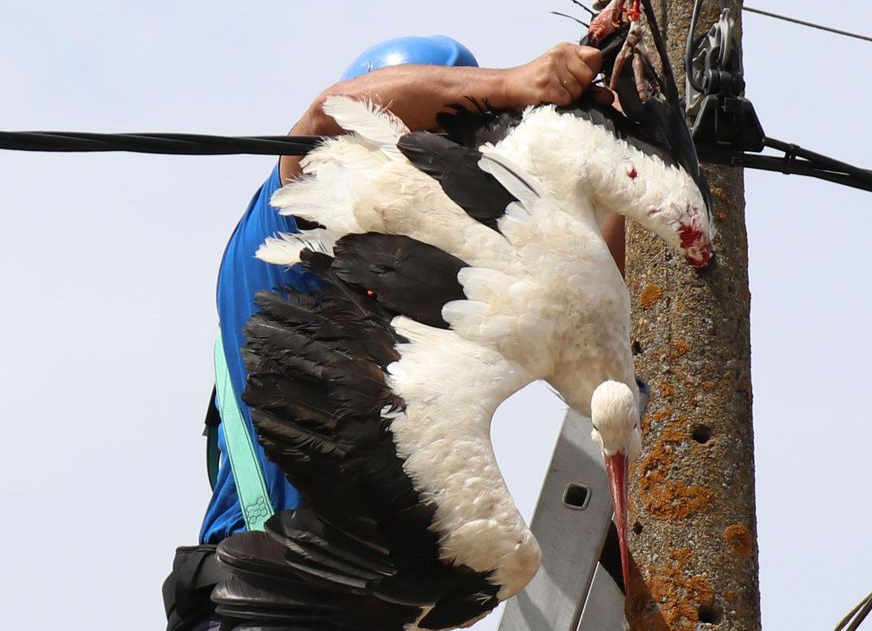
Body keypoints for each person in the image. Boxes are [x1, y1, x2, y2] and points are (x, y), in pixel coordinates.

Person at [162, 35, 623, 631]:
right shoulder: (291, 232)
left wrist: (613, 139)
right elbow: (332, 116)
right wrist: (515, 86)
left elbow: (589, 300)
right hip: (266, 603)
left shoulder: (422, 296)